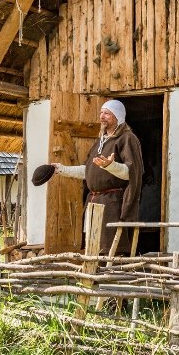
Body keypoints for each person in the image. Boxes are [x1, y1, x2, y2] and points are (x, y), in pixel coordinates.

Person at [53, 99, 144, 255]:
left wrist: (110, 165)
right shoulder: (100, 141)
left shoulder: (127, 138)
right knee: (93, 247)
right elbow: (88, 171)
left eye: (107, 113)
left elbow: (132, 173)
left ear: (118, 116)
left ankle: (112, 278)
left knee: (111, 250)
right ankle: (94, 277)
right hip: (94, 201)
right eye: (101, 112)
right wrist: (61, 170)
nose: (102, 116)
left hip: (113, 202)